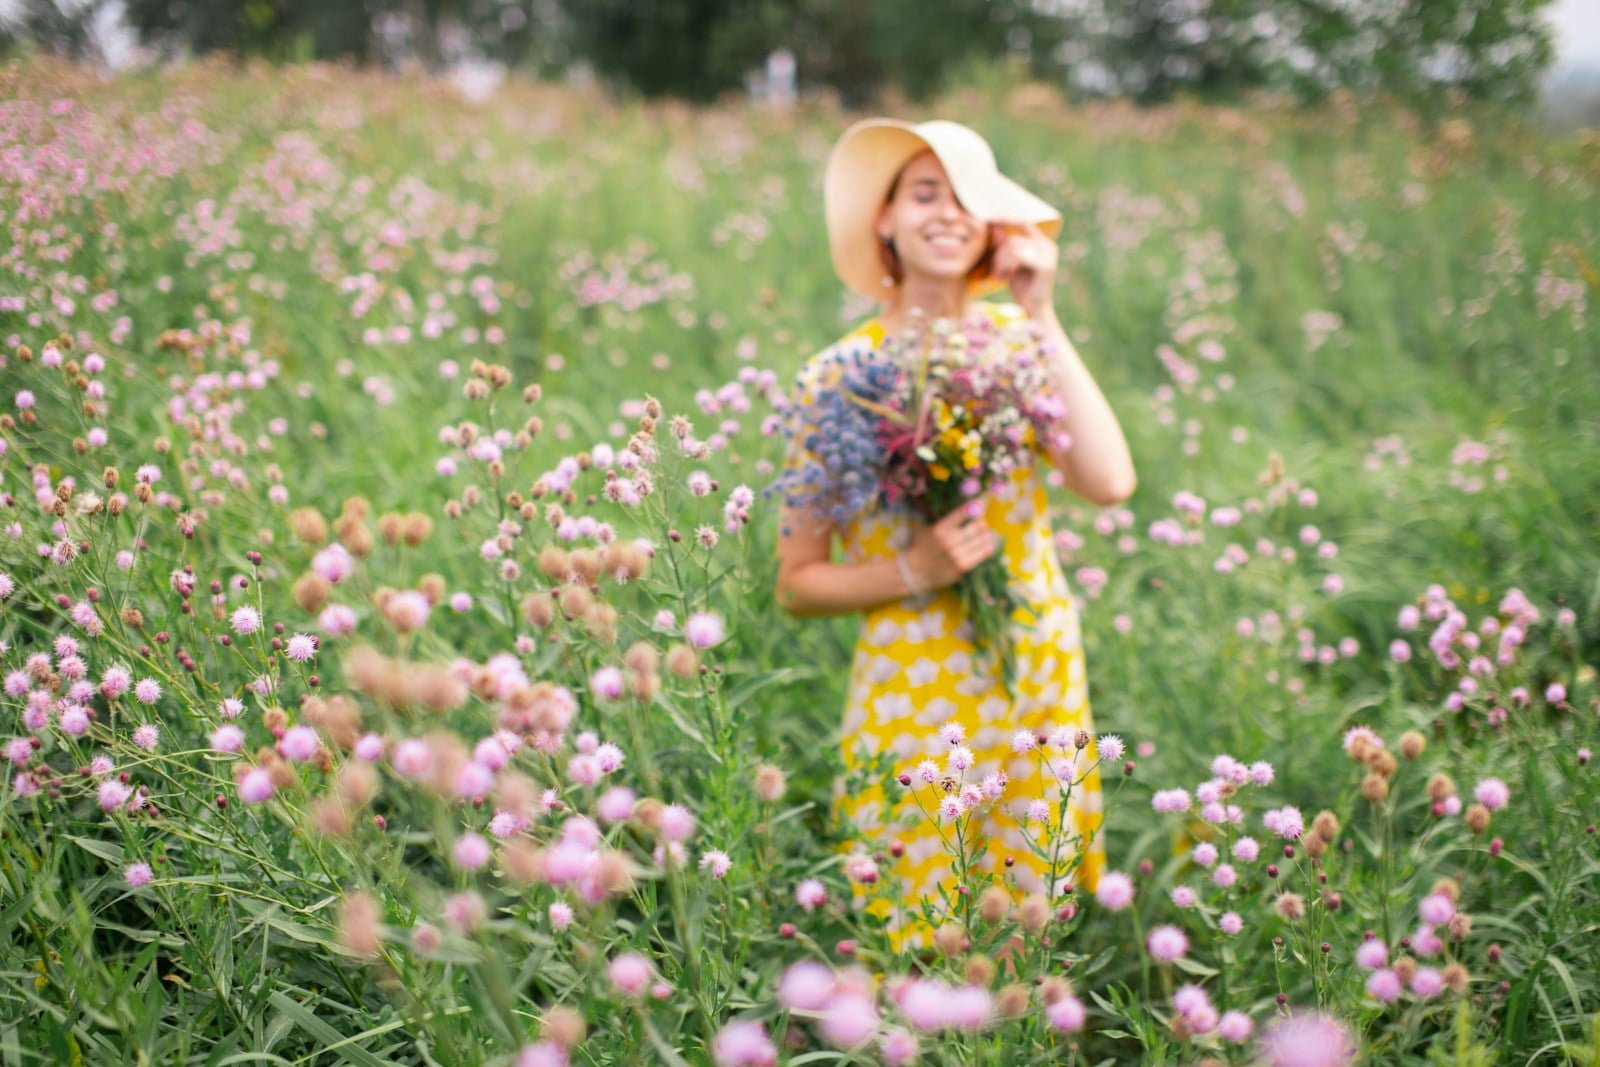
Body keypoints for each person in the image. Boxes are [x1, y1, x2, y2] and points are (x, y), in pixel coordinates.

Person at [774, 118, 1136, 956]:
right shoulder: (839, 375)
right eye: (924, 193)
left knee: (1025, 927)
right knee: (914, 921)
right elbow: (798, 581)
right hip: (916, 679)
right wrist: (917, 566)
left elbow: (1109, 482)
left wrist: (1041, 311)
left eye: (968, 196)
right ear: (885, 219)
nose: (947, 212)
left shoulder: (1019, 341)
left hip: (1034, 659)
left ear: (994, 226)